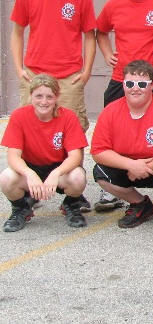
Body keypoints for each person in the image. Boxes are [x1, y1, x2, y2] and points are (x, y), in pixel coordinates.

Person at [94, 0, 153, 213]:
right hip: (122, 79)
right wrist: (107, 53)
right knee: (115, 132)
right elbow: (100, 31)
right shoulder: (114, 5)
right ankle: (117, 185)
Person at [10, 0, 96, 133]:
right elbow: (17, 33)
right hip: (34, 73)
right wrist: (18, 68)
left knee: (73, 129)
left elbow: (90, 36)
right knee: (28, 128)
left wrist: (87, 71)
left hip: (69, 77)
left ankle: (72, 156)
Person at [91, 60, 153, 229]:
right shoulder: (110, 111)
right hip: (128, 167)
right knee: (101, 172)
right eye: (130, 84)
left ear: (152, 85)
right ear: (123, 84)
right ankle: (140, 204)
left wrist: (142, 167)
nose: (135, 88)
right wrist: (131, 165)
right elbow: (98, 151)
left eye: (142, 84)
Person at [1, 74, 88, 232]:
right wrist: (29, 174)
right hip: (31, 167)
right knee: (6, 178)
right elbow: (13, 156)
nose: (44, 101)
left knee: (78, 177)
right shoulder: (19, 116)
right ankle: (21, 209)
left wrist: (56, 173)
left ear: (57, 97)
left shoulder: (68, 117)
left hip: (58, 168)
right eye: (39, 96)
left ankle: (71, 205)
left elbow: (75, 156)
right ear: (31, 96)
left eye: (49, 97)